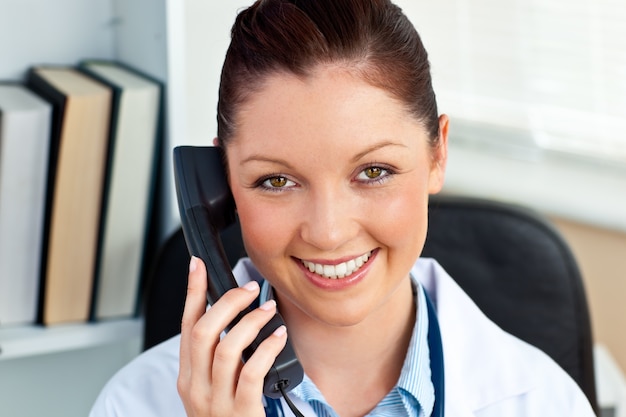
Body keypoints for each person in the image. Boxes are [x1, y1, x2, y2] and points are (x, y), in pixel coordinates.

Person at [89, 0, 596, 416]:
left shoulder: (545, 403)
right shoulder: (136, 404)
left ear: (437, 154)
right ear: (220, 185)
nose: (328, 232)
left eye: (373, 172)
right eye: (277, 180)